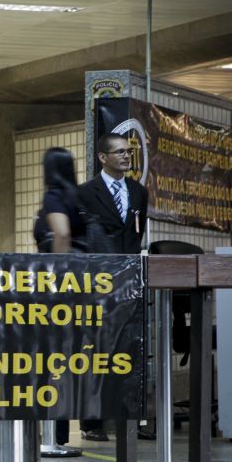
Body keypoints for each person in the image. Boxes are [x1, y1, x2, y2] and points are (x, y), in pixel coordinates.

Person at [77, 133, 149, 442]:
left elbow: (135, 234)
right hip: (97, 283)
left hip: (129, 280)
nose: (125, 156)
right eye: (119, 152)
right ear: (102, 157)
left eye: (128, 152)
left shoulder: (138, 192)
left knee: (129, 350)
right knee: (96, 351)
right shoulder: (84, 193)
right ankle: (92, 422)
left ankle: (130, 419)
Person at [33, 147, 83, 446]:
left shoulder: (53, 197)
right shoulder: (79, 197)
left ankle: (55, 433)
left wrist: (56, 279)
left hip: (60, 288)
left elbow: (62, 235)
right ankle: (63, 430)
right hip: (83, 286)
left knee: (51, 361)